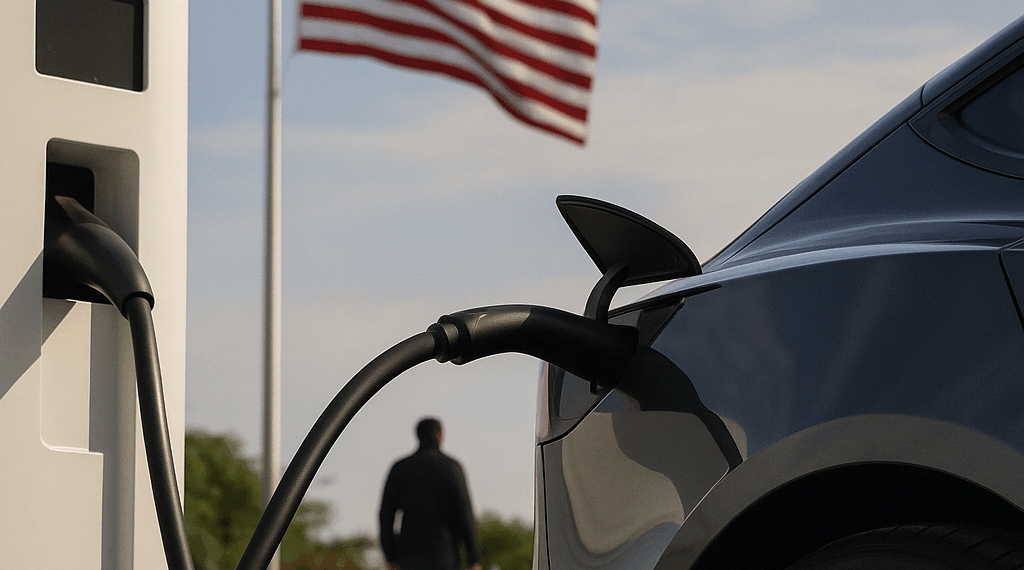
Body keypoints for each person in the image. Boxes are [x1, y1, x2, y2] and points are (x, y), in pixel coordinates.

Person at [379, 418, 482, 570]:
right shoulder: (452, 468)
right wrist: (473, 558)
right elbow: (465, 514)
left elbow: (386, 515)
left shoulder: (400, 468)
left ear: (417, 436)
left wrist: (391, 556)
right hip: (445, 556)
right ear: (441, 436)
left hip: (409, 557)